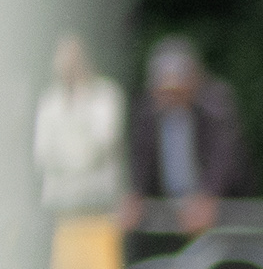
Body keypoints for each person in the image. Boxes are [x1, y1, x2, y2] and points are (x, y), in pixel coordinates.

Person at [124, 37, 248, 233]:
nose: (169, 98)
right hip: (168, 213)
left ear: (192, 83)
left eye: (175, 90)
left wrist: (207, 197)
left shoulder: (215, 108)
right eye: (162, 90)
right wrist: (135, 196)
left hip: (222, 213)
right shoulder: (147, 114)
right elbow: (140, 159)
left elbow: (223, 157)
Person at [33, 34, 123, 216]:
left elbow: (103, 142)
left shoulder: (106, 95)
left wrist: (80, 97)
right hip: (60, 204)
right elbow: (42, 152)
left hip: (98, 201)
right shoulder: (49, 101)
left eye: (75, 60)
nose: (69, 66)